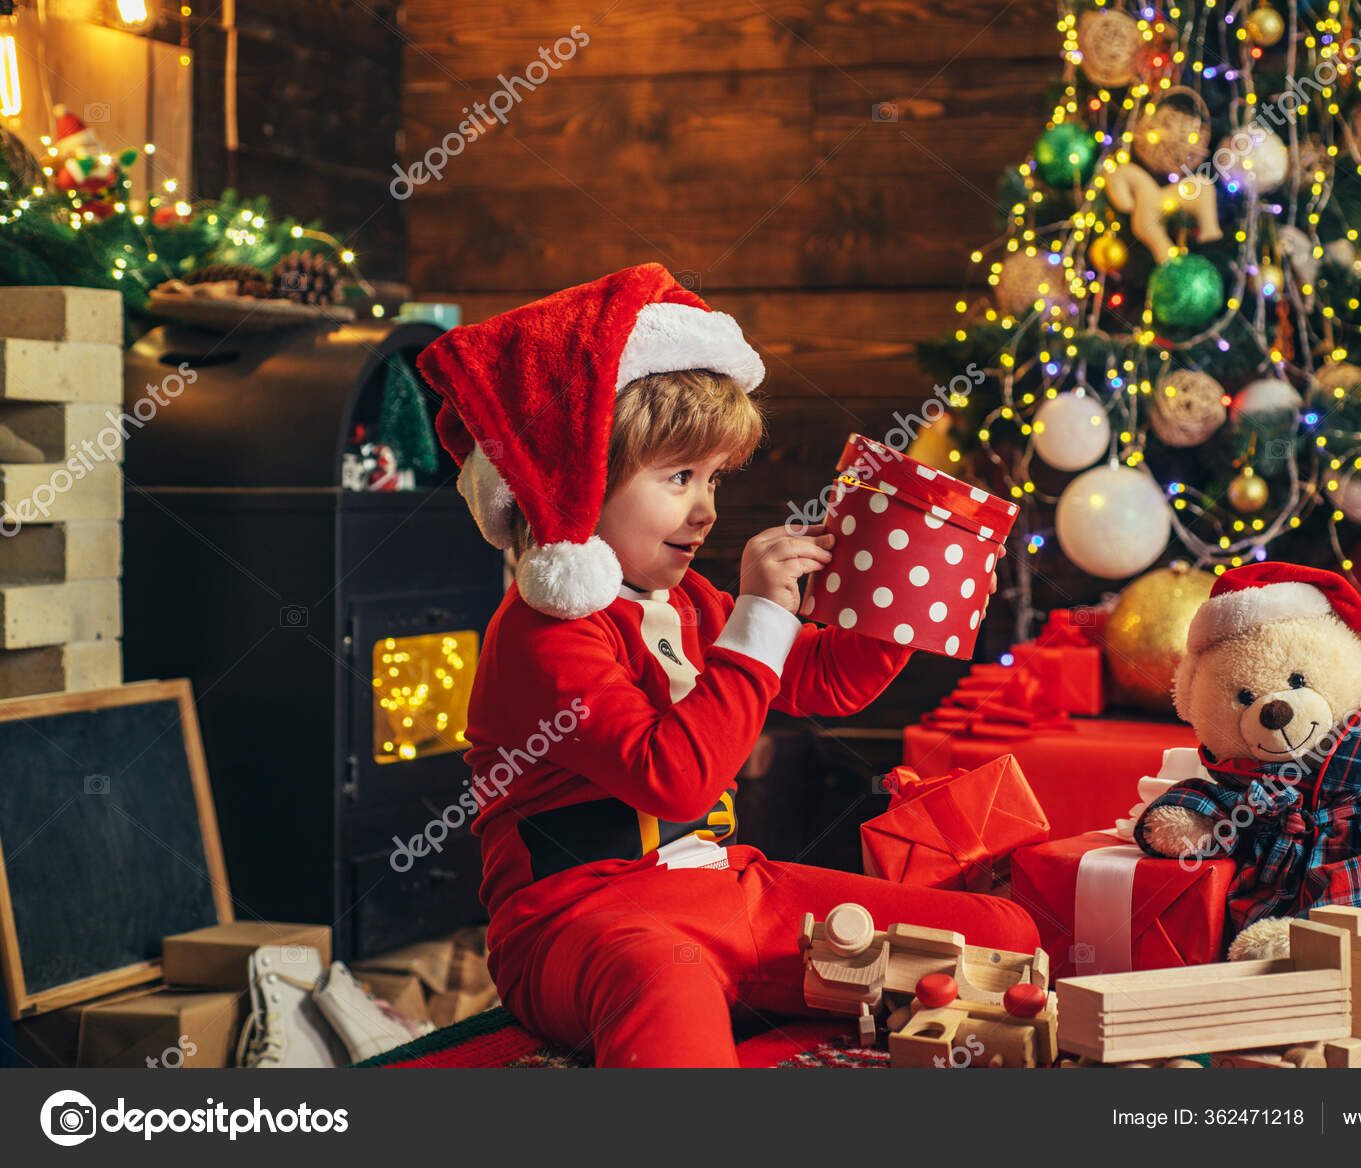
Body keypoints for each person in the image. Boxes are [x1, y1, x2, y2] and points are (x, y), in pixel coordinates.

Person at [416, 263, 1038, 1066]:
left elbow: (827, 681)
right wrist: (762, 617)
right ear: (578, 483)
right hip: (579, 922)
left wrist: (896, 591)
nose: (706, 508)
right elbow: (672, 777)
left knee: (997, 936)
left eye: (712, 477)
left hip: (726, 887)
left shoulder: (695, 602)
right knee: (663, 980)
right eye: (679, 478)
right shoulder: (544, 632)